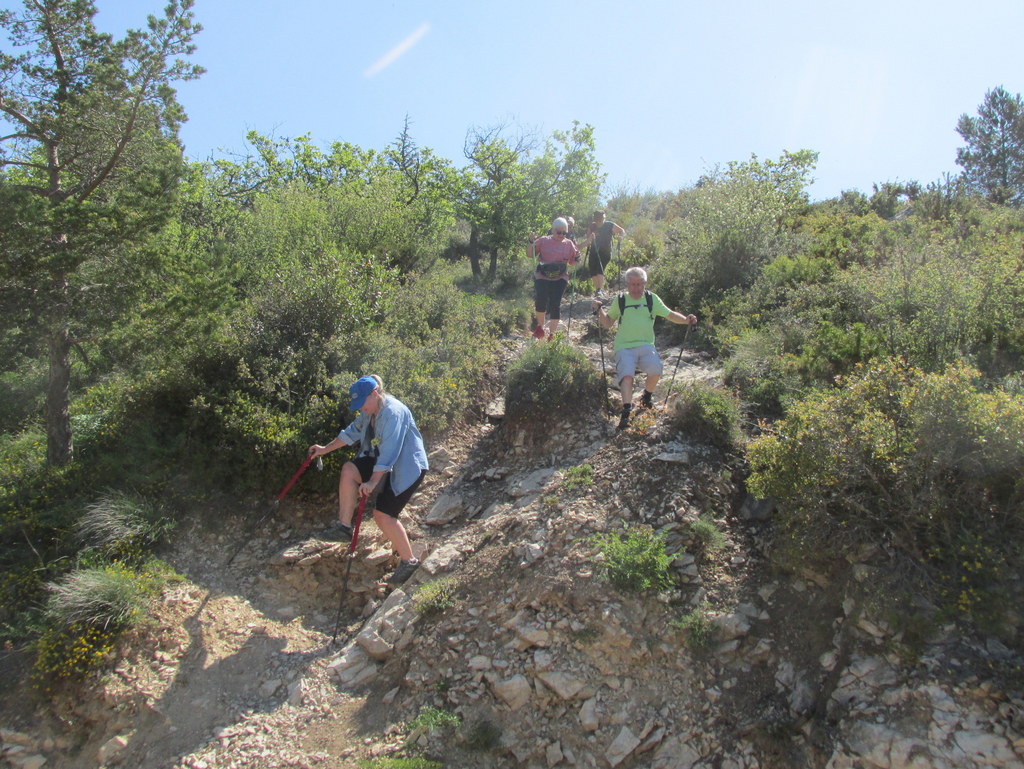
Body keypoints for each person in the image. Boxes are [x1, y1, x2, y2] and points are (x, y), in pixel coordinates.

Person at [308, 375, 429, 584]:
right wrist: (324, 450)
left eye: (362, 403)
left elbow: (391, 452)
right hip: (382, 461)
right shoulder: (369, 412)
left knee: (383, 515)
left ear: (375, 394)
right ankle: (344, 527)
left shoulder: (393, 412)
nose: (361, 408)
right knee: (349, 470)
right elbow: (351, 433)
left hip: (407, 467)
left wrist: (373, 482)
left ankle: (409, 561)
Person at [592, 267, 697, 431]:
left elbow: (669, 314)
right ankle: (626, 411)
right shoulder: (620, 300)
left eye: (640, 284)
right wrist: (599, 311)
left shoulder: (651, 299)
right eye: (633, 284)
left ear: (645, 283)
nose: (636, 288)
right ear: (627, 284)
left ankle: (646, 397)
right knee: (627, 376)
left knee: (656, 370)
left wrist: (686, 320)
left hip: (646, 345)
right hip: (624, 347)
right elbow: (607, 323)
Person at [527, 216, 580, 341]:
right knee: (541, 299)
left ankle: (552, 334)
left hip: (560, 277)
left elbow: (573, 262)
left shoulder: (569, 244)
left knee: (555, 303)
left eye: (564, 232)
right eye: (559, 232)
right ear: (553, 230)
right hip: (542, 275)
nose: (562, 235)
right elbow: (530, 254)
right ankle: (540, 328)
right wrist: (530, 241)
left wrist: (577, 258)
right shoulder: (544, 241)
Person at [585, 211, 625, 297]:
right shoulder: (592, 226)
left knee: (600, 268)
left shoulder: (609, 225)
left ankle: (599, 290)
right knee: (592, 269)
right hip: (594, 250)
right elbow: (588, 237)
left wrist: (620, 237)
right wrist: (590, 238)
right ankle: (598, 290)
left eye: (603, 218)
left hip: (605, 251)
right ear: (595, 219)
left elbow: (621, 231)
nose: (601, 221)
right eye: (599, 219)